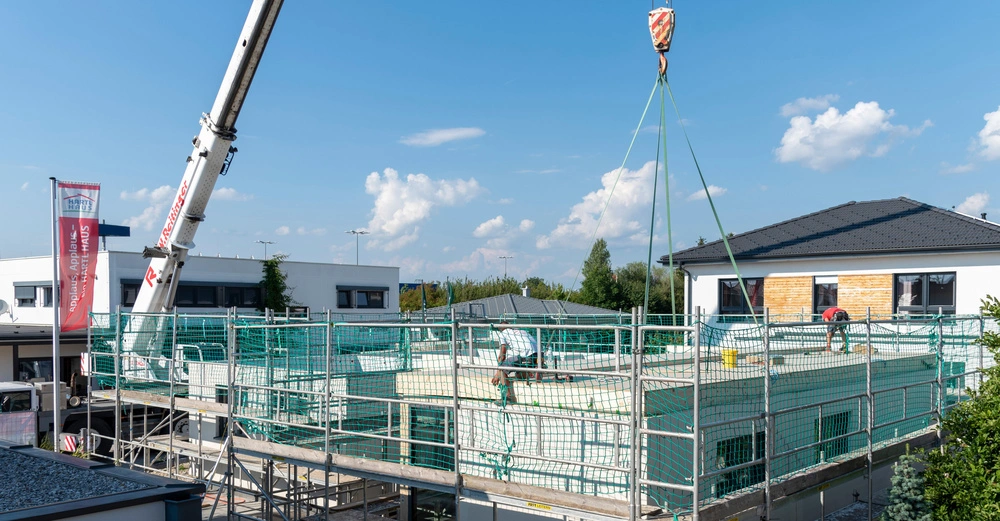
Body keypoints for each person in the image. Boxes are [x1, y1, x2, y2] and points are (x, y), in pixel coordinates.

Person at [490, 321, 540, 403]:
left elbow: (502, 356)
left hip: (526, 356)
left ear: (500, 329)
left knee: (502, 368)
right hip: (538, 357)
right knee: (519, 376)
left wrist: (497, 374)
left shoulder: (503, 334)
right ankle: (532, 370)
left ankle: (507, 397)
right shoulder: (522, 331)